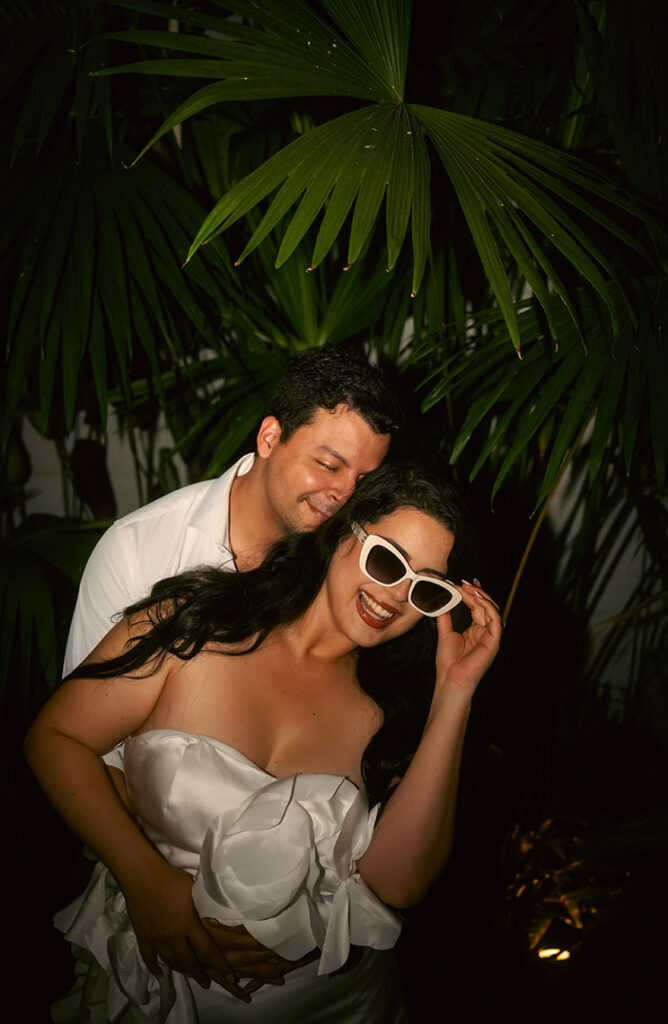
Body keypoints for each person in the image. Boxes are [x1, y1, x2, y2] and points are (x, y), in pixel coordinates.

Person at [27, 462, 502, 1023]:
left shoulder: (395, 718)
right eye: (386, 561)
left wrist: (454, 695)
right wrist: (146, 880)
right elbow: (55, 738)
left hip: (336, 1007)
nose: (395, 596)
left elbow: (398, 885)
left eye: (425, 590)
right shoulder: (196, 621)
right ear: (344, 531)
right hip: (153, 995)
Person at [63, 347, 403, 676]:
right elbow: (74, 724)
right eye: (328, 465)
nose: (346, 494)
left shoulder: (350, 562)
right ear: (269, 438)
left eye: (364, 479)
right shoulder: (136, 551)